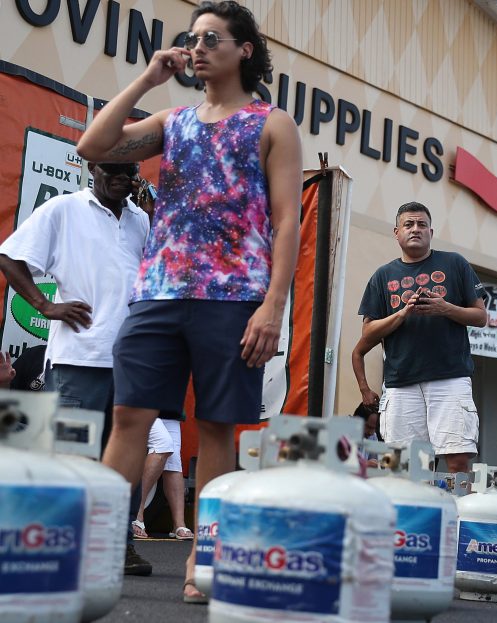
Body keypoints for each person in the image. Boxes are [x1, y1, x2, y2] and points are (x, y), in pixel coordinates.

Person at [76, 0, 301, 603]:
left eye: (211, 38)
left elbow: (286, 222)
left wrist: (273, 304)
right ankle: (93, 551)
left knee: (217, 428)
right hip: (158, 292)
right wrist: (148, 79)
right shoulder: (172, 119)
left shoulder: (272, 123)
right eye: (191, 39)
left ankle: (208, 556)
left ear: (243, 49)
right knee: (128, 418)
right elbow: (93, 144)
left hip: (234, 297)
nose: (196, 48)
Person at [0, 161, 154, 577]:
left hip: (133, 362)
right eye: (113, 165)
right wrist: (45, 305)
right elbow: (11, 256)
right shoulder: (65, 209)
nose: (122, 173)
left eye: (130, 166)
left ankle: (117, 546)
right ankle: (63, 545)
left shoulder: (142, 218)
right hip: (78, 360)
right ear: (92, 166)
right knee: (73, 456)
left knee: (126, 462)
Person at [357, 201, 486, 474]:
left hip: (450, 377)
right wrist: (401, 315)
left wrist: (445, 308)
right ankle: (413, 516)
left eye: (421, 224)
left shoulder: (454, 263)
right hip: (401, 381)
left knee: (457, 459)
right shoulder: (382, 276)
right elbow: (367, 333)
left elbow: (480, 316)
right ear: (396, 232)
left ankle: (456, 516)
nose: (415, 229)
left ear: (431, 231)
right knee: (405, 467)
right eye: (408, 224)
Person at [133, 417, 193, 541]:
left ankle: (179, 524)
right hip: (147, 405)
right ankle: (136, 515)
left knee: (174, 462)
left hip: (170, 409)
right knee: (163, 444)